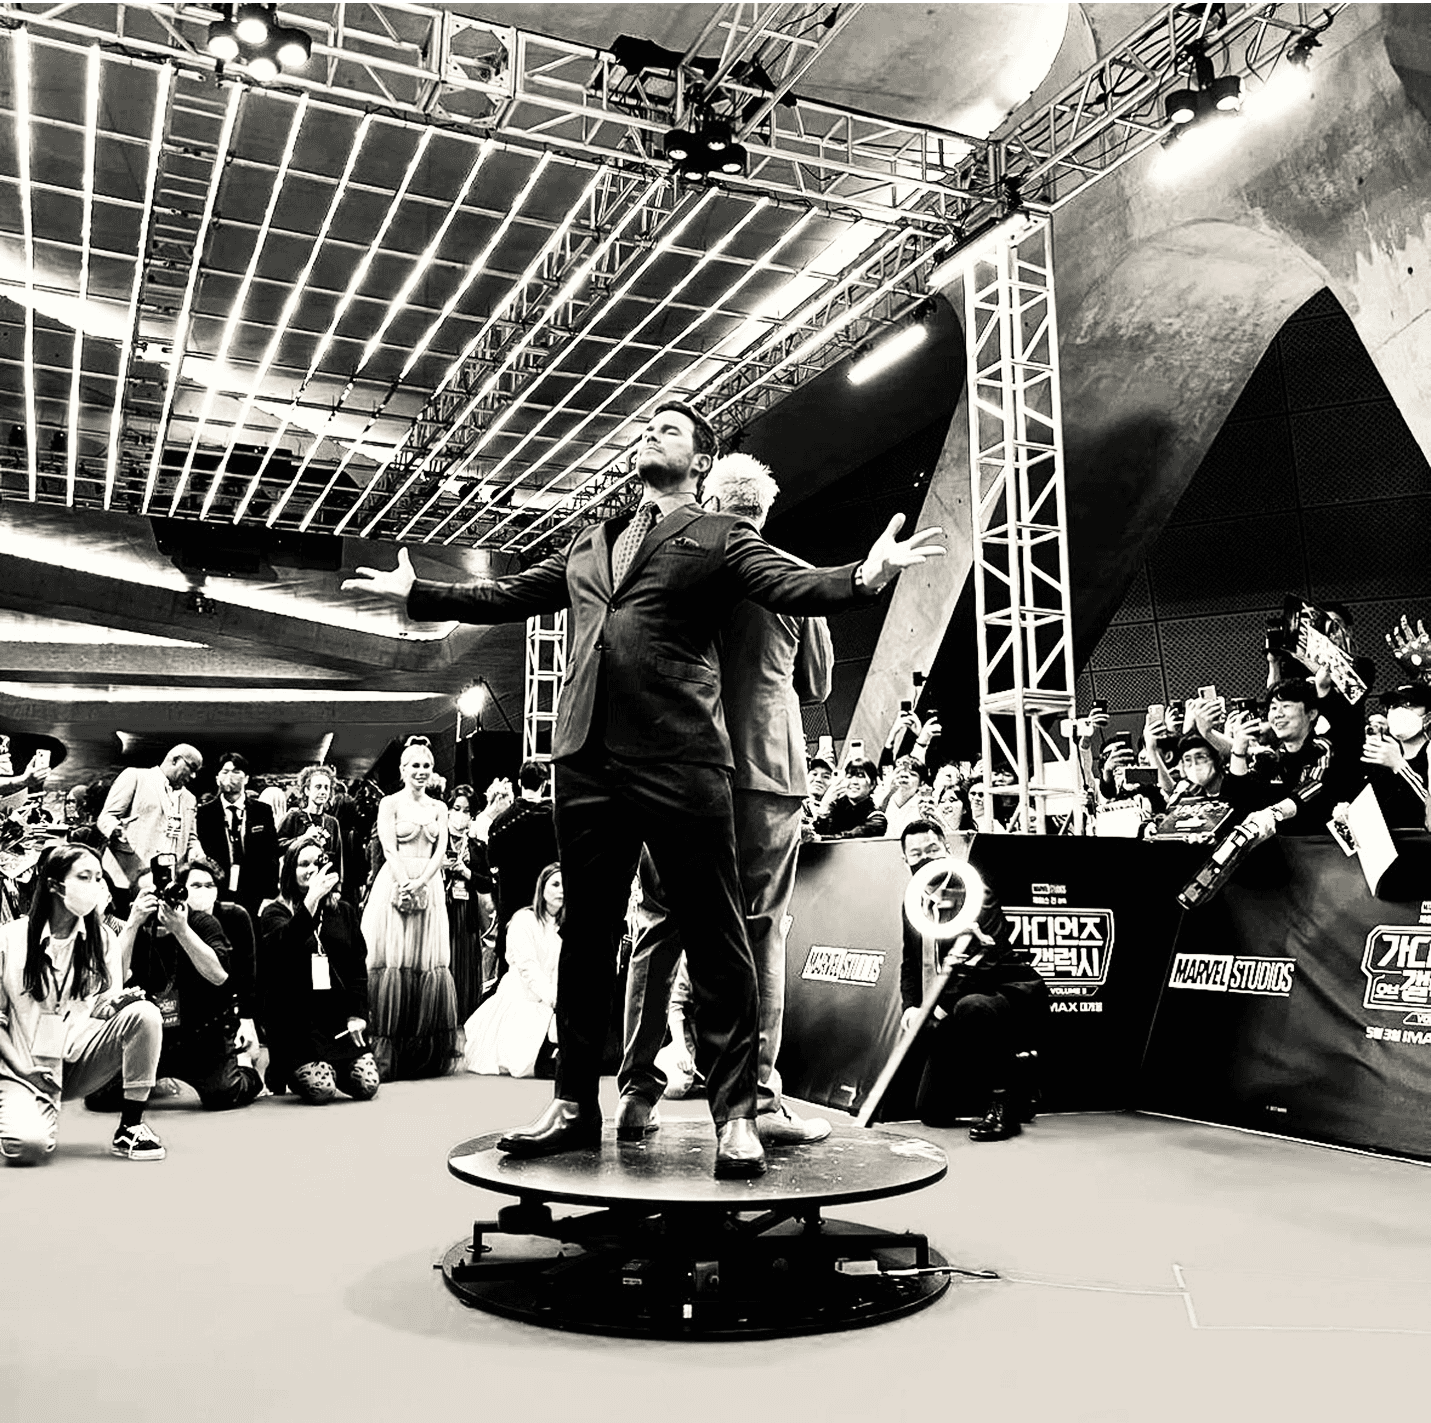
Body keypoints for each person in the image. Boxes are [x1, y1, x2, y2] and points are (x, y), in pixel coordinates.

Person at [342, 400, 944, 1177]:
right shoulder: (593, 543)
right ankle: (570, 1106)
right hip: (585, 759)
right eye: (643, 426)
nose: (647, 433)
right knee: (589, 938)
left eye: (668, 428)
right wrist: (421, 593)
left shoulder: (722, 535)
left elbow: (788, 585)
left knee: (718, 933)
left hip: (681, 757)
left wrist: (863, 575)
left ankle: (735, 1113)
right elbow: (511, 594)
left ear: (700, 463)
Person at [616, 451, 834, 1147]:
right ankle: (759, 1097)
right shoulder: (789, 571)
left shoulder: (680, 564)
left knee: (658, 925)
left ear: (709, 502)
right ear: (765, 513)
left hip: (678, 766)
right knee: (759, 932)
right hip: (767, 772)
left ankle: (636, 1093)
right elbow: (821, 683)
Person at [0, 845, 165, 1163]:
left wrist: (118, 1006)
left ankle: (130, 1126)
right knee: (27, 1147)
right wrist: (24, 1070)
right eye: (84, 877)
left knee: (144, 1014)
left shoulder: (102, 940)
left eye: (99, 878)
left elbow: (103, 1005)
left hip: (75, 1060)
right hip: (19, 1067)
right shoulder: (9, 939)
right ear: (54, 884)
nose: (95, 887)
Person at [898, 819, 1050, 1140]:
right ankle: (1019, 1075)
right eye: (916, 853)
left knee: (972, 1007)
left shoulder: (975, 893)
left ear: (947, 849)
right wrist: (912, 1007)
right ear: (906, 860)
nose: (926, 858)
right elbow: (910, 962)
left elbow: (987, 960)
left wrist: (938, 1007)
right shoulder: (913, 904)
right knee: (932, 1113)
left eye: (933, 849)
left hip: (1002, 993)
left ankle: (1002, 1105)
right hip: (950, 1005)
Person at [95, 862, 262, 1113]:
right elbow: (112, 982)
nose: (159, 902)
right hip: (152, 1036)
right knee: (101, 1098)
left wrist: (181, 930)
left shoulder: (200, 922)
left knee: (223, 1095)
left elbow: (219, 976)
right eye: (150, 896)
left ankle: (244, 1065)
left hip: (203, 1034)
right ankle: (152, 1078)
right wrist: (132, 924)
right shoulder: (131, 930)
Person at [359, 736, 460, 1079]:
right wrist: (405, 882)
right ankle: (387, 1051)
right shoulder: (389, 803)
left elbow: (441, 851)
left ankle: (422, 1055)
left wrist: (422, 883)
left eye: (426, 766)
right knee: (393, 963)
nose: (420, 771)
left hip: (428, 887)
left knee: (426, 964)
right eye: (414, 765)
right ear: (403, 770)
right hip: (395, 883)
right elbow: (387, 847)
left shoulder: (439, 808)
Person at [258, 842, 377, 1104]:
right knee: (321, 1090)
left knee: (367, 1085)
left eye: (317, 862)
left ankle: (336, 1067)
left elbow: (358, 967)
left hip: (337, 1020)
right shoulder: (274, 912)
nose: (312, 869)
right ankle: (290, 1070)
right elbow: (283, 949)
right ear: (290, 870)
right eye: (304, 864)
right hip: (296, 1023)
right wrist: (311, 900)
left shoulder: (343, 910)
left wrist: (357, 1014)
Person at [462, 863, 562, 1079]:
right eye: (555, 884)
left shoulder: (563, 926)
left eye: (565, 885)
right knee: (527, 1060)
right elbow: (527, 967)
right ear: (542, 888)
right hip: (522, 998)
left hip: (550, 1001)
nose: (561, 891)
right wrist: (553, 998)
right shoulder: (523, 921)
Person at [1225, 678, 1335, 839]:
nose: (1278, 714)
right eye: (1273, 708)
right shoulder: (1270, 758)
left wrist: (1272, 813)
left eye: (1286, 706)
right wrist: (1239, 749)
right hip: (1282, 850)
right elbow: (1237, 800)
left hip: (1325, 846)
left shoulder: (1322, 748)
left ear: (1311, 713)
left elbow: (1310, 789)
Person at [96, 744, 205, 890]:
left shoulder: (189, 799)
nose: (193, 776)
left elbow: (191, 837)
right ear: (175, 760)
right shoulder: (135, 777)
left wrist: (196, 850)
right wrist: (114, 829)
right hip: (126, 878)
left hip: (169, 882)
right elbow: (107, 817)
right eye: (191, 768)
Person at [485, 758, 558, 969]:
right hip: (545, 903)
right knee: (543, 963)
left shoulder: (502, 822)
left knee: (511, 964)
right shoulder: (555, 819)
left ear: (519, 782)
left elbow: (492, 861)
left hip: (511, 904)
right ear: (544, 785)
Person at [196, 751, 280, 922]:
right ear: (217, 778)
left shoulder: (262, 811)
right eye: (224, 772)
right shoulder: (205, 813)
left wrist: (270, 894)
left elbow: (271, 854)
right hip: (218, 888)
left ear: (246, 778)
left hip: (253, 890)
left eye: (235, 772)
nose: (229, 777)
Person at [443, 785, 486, 1021]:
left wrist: (466, 872)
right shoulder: (437, 843)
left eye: (466, 810)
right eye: (456, 808)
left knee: (465, 966)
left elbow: (488, 883)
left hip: (466, 915)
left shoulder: (477, 847)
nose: (460, 814)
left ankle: (464, 1016)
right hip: (442, 912)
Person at [277, 765, 346, 891]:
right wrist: (302, 838)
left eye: (327, 788)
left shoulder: (332, 822)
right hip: (296, 885)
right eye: (318, 787)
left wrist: (337, 888)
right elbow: (276, 847)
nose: (323, 792)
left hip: (324, 885)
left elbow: (337, 857)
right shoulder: (294, 817)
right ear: (307, 791)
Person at [813, 758, 888, 839]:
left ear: (872, 785)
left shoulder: (877, 818)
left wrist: (818, 838)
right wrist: (824, 806)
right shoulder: (834, 809)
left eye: (860, 776)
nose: (854, 782)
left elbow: (848, 838)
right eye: (849, 776)